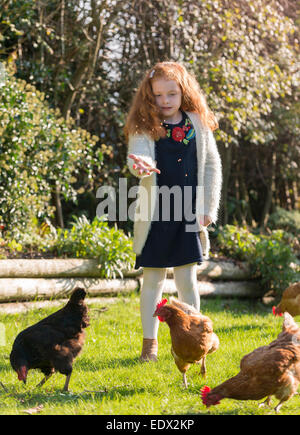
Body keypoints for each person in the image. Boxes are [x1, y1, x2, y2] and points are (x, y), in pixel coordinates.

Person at [124, 61, 222, 362]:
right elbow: (136, 155)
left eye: (171, 94)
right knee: (152, 279)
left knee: (187, 280)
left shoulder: (197, 124)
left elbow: (212, 165)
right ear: (148, 96)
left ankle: (196, 339)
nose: (164, 101)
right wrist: (138, 164)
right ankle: (149, 345)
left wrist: (207, 208)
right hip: (156, 215)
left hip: (188, 214)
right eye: (158, 95)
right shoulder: (145, 125)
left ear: (183, 92)